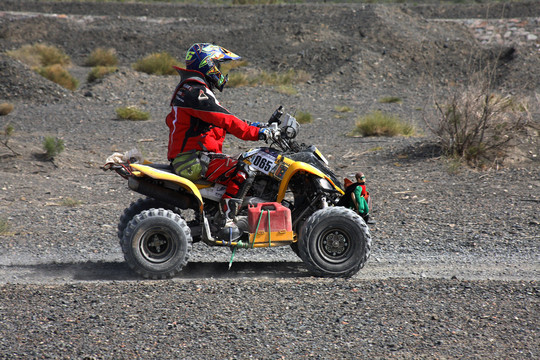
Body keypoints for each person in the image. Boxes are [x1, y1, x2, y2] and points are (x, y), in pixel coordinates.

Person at [165, 43, 272, 241]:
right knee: (247, 167)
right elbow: (226, 120)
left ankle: (221, 211)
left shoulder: (193, 89)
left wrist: (259, 126)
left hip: (194, 157)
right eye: (218, 66)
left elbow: (220, 122)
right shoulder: (195, 92)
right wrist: (259, 133)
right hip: (194, 160)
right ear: (208, 65)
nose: (220, 71)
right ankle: (226, 219)